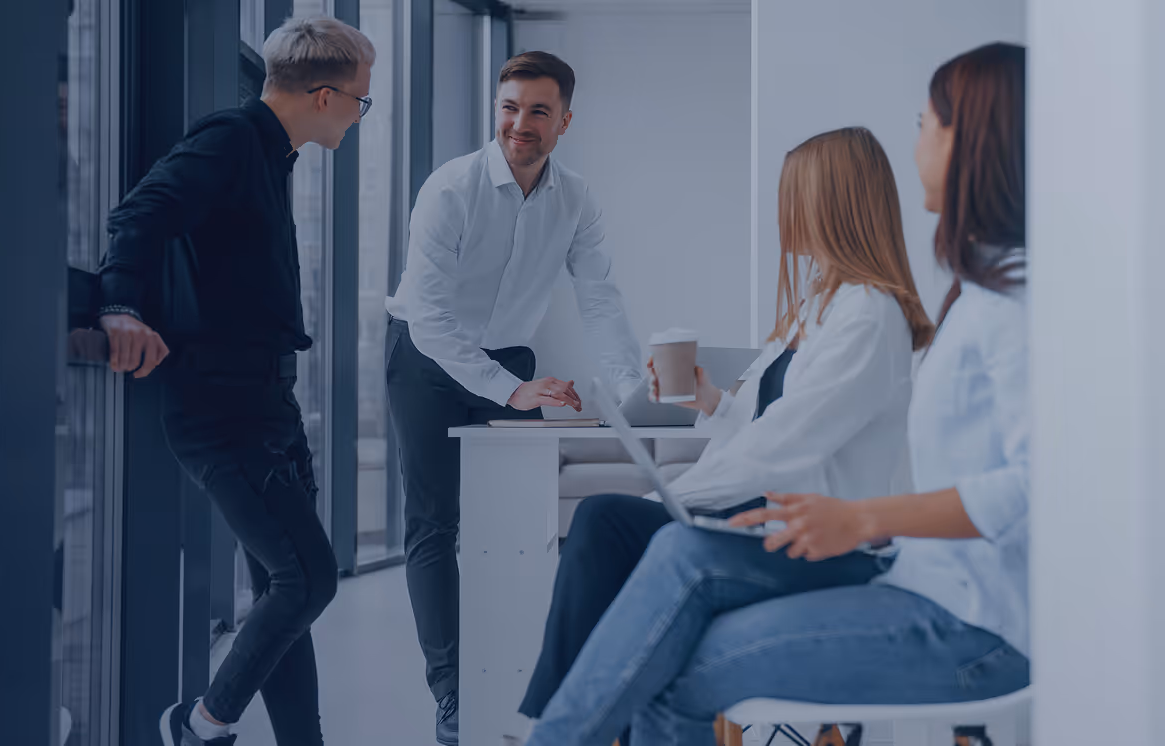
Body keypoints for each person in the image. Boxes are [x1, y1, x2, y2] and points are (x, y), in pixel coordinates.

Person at [523, 41, 1030, 746]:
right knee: (672, 563)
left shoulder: (987, 307)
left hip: (961, 614)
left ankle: (549, 731)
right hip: (921, 577)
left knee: (662, 633)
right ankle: (552, 729)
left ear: (971, 142)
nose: (916, 142)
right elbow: (777, 425)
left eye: (928, 124)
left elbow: (1033, 489)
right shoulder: (966, 296)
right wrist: (712, 410)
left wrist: (861, 519)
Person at [96, 16, 375, 746]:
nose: (358, 114)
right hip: (220, 410)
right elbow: (138, 214)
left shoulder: (268, 152)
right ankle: (199, 726)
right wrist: (119, 306)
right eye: (360, 101)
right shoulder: (228, 139)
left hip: (267, 403)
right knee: (307, 580)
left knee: (287, 593)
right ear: (324, 96)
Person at [384, 51, 646, 745]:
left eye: (536, 111)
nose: (519, 123)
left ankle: (520, 677)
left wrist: (629, 393)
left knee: (521, 524)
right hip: (427, 357)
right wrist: (512, 389)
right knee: (435, 525)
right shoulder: (451, 189)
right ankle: (453, 695)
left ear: (564, 121)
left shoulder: (576, 198)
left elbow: (600, 298)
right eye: (509, 107)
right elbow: (433, 320)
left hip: (508, 356)